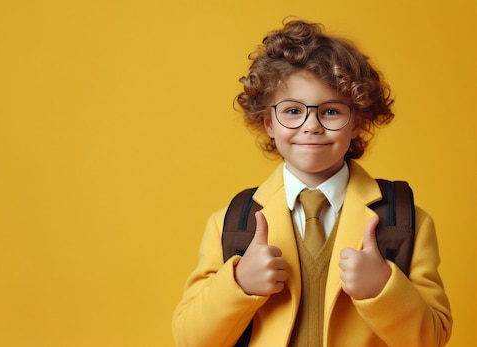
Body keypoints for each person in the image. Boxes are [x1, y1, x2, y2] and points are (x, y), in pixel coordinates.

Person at [171, 19, 452, 347]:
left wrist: (384, 288)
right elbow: (189, 339)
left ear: (358, 121)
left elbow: (432, 338)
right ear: (268, 123)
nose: (311, 126)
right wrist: (238, 284)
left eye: (330, 112)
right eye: (292, 111)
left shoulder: (408, 222)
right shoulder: (229, 224)